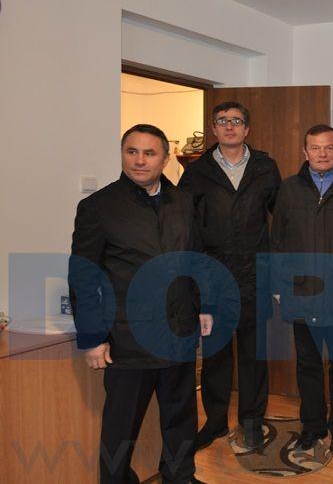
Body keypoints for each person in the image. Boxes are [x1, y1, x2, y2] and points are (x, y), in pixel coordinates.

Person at [69, 124, 212, 483]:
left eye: (149, 153)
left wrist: (203, 306)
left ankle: (180, 476)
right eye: (131, 151)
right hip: (127, 338)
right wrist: (92, 337)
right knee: (121, 425)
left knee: (180, 416)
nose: (139, 160)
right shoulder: (98, 207)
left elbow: (196, 260)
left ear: (165, 158)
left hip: (179, 330)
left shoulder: (184, 202)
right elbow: (83, 277)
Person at [178, 101, 281, 451]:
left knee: (254, 357)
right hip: (213, 281)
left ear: (247, 129)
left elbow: (280, 219)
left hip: (255, 276)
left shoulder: (265, 167)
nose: (230, 126)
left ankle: (251, 422)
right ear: (213, 128)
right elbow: (185, 227)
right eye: (222, 121)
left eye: (236, 121)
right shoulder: (196, 172)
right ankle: (216, 422)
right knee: (216, 357)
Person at [270, 124, 333, 455]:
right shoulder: (288, 189)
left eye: (328, 147)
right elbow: (278, 241)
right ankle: (312, 427)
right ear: (305, 152)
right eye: (315, 147)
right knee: (308, 364)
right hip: (301, 292)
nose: (322, 153)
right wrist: (279, 286)